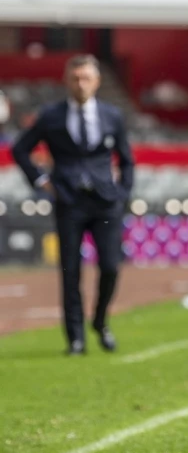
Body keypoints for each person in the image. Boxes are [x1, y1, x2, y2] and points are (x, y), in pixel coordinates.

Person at [12, 54, 134, 355]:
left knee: (110, 266)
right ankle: (75, 339)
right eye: (75, 78)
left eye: (86, 78)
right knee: (70, 272)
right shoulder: (51, 115)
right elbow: (20, 149)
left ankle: (101, 320)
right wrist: (42, 182)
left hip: (106, 202)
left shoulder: (112, 116)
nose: (81, 83)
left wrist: (122, 194)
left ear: (97, 81)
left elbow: (127, 160)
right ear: (66, 81)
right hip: (68, 201)